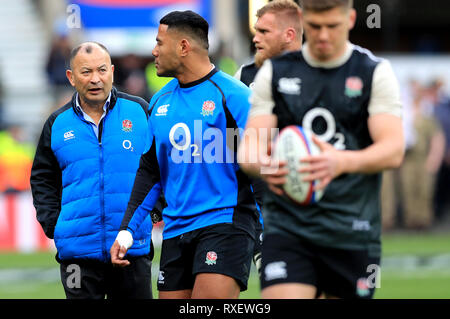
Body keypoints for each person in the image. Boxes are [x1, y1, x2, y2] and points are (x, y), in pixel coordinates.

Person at [238, 0, 404, 299]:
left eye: (333, 26)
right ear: (302, 20)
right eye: (315, 26)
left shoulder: (373, 72)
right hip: (288, 227)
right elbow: (249, 147)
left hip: (352, 229)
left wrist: (340, 162)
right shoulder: (274, 73)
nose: (323, 35)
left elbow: (392, 149)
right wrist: (266, 165)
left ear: (351, 19)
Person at [110, 10, 258, 299]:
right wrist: (127, 229)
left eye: (159, 42)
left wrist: (268, 234)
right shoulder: (160, 102)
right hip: (176, 229)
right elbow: (151, 171)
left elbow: (259, 169)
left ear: (183, 47)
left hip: (224, 223)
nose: (153, 51)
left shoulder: (233, 97)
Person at [30, 42, 156, 299]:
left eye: (101, 70)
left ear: (111, 71)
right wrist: (54, 225)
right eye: (86, 72)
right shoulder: (56, 123)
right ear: (71, 77)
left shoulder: (141, 111)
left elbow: (162, 165)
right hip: (78, 255)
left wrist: (154, 209)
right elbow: (42, 178)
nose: (95, 79)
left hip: (131, 248)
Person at [234, 0, 303, 278]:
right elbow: (233, 144)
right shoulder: (244, 76)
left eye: (264, 32)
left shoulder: (321, 74)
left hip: (313, 202)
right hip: (262, 209)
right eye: (256, 31)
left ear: (288, 34)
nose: (255, 38)